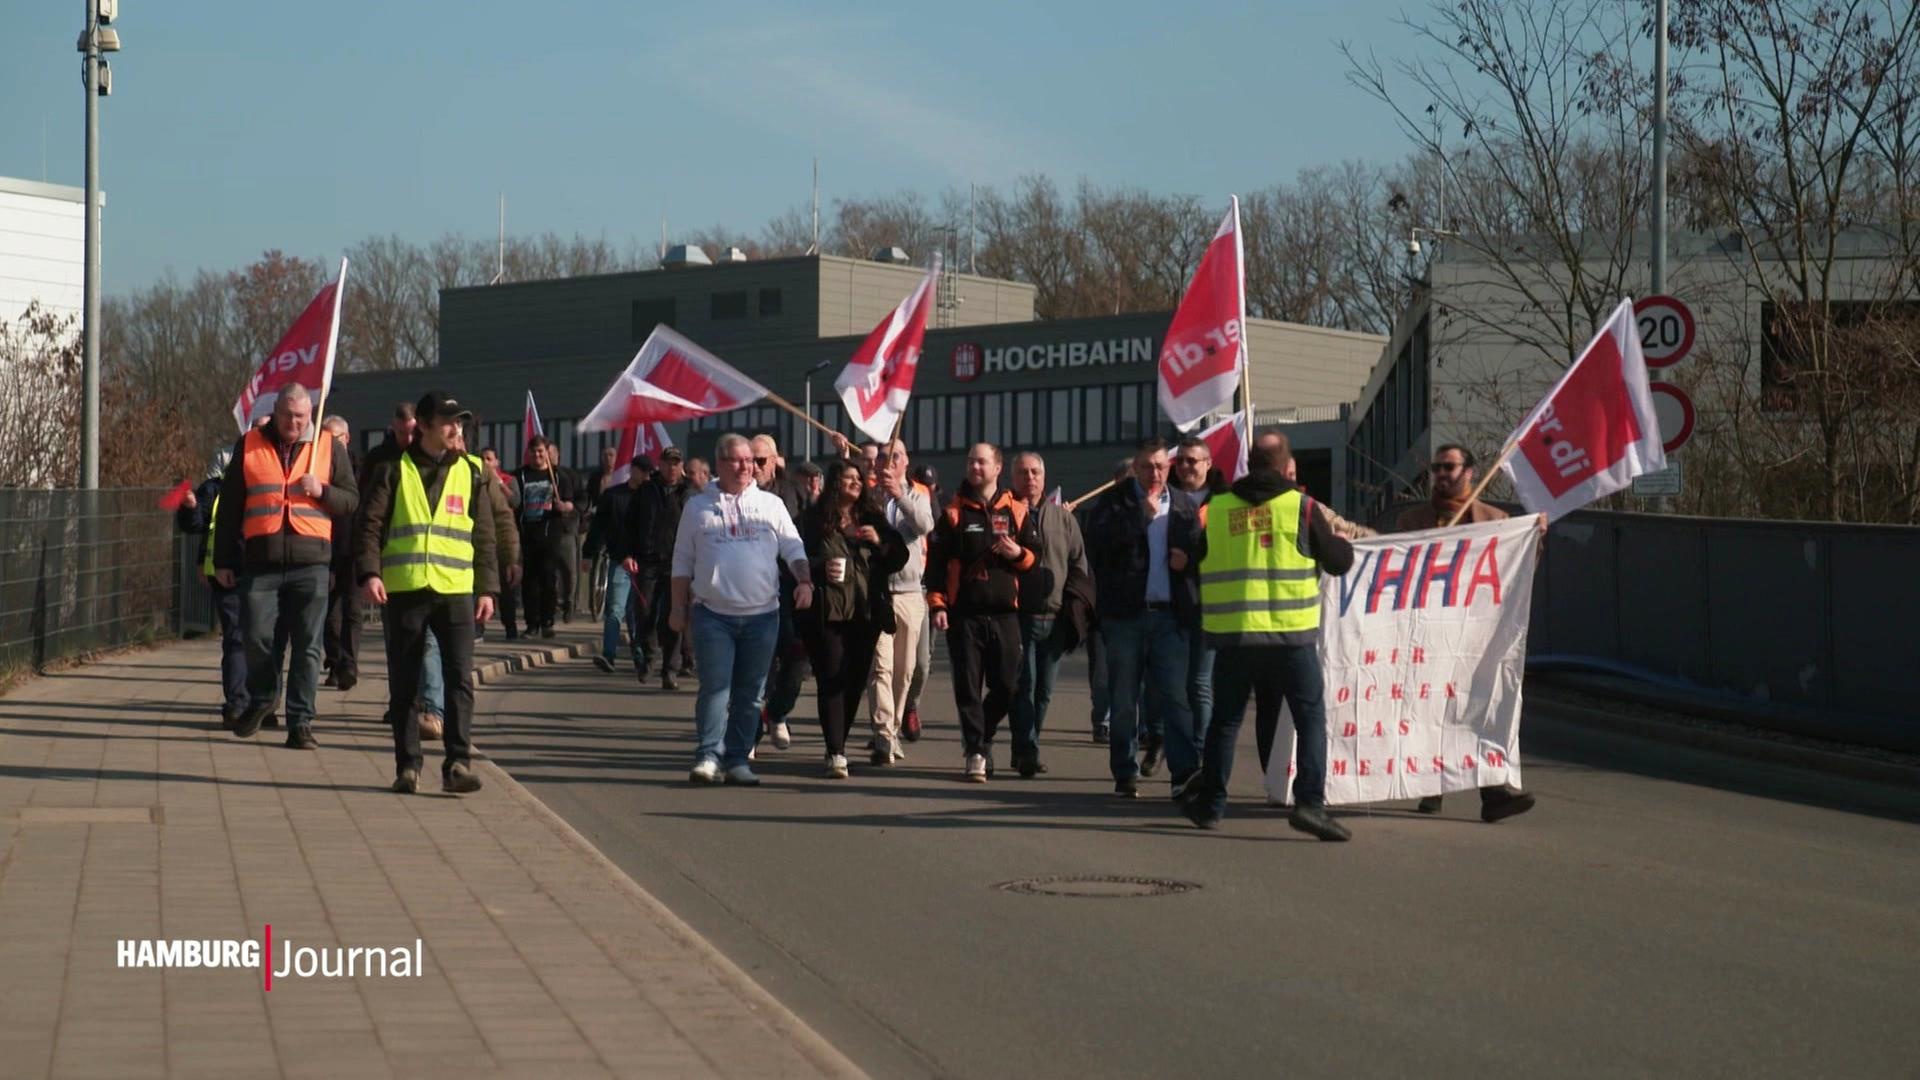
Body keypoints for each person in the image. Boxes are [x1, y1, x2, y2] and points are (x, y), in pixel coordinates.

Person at [1178, 431, 1355, 839]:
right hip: (1290, 640)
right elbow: (1337, 564)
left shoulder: (1217, 507)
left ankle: (1210, 806)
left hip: (1234, 638)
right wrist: (1341, 545)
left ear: (1250, 464)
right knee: (1310, 719)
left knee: (1225, 722)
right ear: (1283, 466)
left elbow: (1194, 564)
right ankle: (1309, 805)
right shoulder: (1302, 507)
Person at [356, 391, 499, 795]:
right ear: (424, 425)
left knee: (459, 680)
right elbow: (369, 524)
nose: (456, 428)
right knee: (405, 683)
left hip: (456, 591)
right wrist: (369, 573)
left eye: (459, 422)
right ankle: (408, 766)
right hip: (404, 590)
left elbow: (485, 536)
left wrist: (488, 589)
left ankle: (457, 763)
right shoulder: (392, 468)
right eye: (447, 421)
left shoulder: (472, 471)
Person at [1389, 443, 1537, 822]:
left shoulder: (1496, 520)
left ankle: (1493, 792)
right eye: (1437, 466)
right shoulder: (1411, 521)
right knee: (1427, 710)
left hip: (1473, 637)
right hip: (1426, 633)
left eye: (1449, 467)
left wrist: (1534, 539)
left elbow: (1514, 574)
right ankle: (1432, 787)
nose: (1441, 473)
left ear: (1470, 472)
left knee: (1477, 708)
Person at [212, 383, 360, 748]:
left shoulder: (328, 447)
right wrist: (223, 559)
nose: (293, 423)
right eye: (287, 416)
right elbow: (230, 508)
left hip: (311, 562)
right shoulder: (250, 445)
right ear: (275, 412)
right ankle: (264, 698)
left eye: (300, 416)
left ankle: (301, 722)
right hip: (260, 561)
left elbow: (351, 501)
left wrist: (322, 491)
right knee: (256, 638)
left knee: (308, 646)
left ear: (311, 414)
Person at [668, 433, 812, 785]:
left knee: (751, 694)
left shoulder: (770, 505)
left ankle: (737, 759)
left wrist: (805, 580)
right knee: (716, 688)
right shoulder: (698, 507)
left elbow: (793, 548)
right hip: (712, 613)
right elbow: (682, 561)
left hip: (762, 615)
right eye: (737, 460)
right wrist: (677, 607)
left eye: (751, 460)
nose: (746, 466)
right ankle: (708, 756)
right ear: (720, 464)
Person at [1083, 437, 1204, 798]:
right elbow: (1098, 545)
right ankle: (1125, 772)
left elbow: (1201, 550)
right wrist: (1141, 516)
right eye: (1147, 466)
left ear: (1170, 467)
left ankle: (1183, 774)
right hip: (1126, 617)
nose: (1155, 473)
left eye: (1161, 466)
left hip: (1170, 616)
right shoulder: (1114, 501)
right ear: (1135, 468)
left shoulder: (1183, 504)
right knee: (1123, 700)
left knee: (1175, 698)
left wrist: (1190, 561)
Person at [928, 443, 1040, 782]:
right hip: (965, 614)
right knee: (968, 688)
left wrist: (1016, 551)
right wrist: (938, 604)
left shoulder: (1017, 510)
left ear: (997, 467)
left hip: (1006, 614)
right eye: (970, 461)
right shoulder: (953, 512)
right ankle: (976, 751)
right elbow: (935, 564)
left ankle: (983, 731)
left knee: (1008, 685)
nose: (975, 466)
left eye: (982, 461)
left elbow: (1035, 558)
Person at [799, 457, 908, 778]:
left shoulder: (872, 516)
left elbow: (898, 557)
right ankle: (835, 752)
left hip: (866, 612)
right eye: (848, 478)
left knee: (854, 682)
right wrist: (820, 568)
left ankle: (838, 742)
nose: (855, 483)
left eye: (858, 479)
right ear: (835, 483)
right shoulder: (814, 519)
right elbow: (794, 555)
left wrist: (880, 542)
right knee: (831, 679)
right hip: (829, 612)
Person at [1009, 452, 1088, 778]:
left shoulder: (1063, 518)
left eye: (1036, 472)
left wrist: (1076, 607)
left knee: (1044, 691)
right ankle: (1027, 751)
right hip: (1019, 616)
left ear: (1044, 476)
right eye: (1024, 472)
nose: (1030, 478)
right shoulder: (1004, 512)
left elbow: (1079, 564)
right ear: (1013, 478)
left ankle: (1027, 744)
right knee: (1023, 687)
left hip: (1055, 617)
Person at [175, 447, 258, 728]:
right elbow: (199, 524)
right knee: (236, 637)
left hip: (264, 571)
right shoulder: (215, 489)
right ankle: (238, 703)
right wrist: (188, 507)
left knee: (262, 638)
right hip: (227, 573)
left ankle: (261, 700)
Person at [864, 438, 934, 765]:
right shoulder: (867, 497)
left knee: (905, 670)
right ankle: (882, 734)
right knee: (881, 665)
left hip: (909, 593)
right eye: (883, 458)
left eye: (896, 456)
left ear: (905, 462)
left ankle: (892, 728)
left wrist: (900, 496)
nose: (889, 462)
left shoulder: (918, 496)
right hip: (877, 593)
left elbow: (923, 525)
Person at [750, 433, 810, 751]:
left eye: (761, 461)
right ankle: (750, 734)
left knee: (797, 660)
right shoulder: (737, 494)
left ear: (775, 462)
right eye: (750, 460)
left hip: (788, 588)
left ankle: (777, 713)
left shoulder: (793, 493)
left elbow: (810, 532)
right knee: (758, 665)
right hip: (752, 592)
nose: (754, 467)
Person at [1171, 436, 1218, 786]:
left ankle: (1200, 753)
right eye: (1182, 461)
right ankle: (1168, 745)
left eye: (1193, 461)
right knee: (1170, 688)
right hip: (1170, 606)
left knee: (1200, 685)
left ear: (1208, 463)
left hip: (1209, 607)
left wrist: (1190, 564)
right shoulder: (1164, 500)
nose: (1186, 466)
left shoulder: (1224, 503)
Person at [585, 455, 651, 677]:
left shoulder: (652, 497)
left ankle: (641, 657)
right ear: (632, 470)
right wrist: (588, 553)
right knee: (615, 609)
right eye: (642, 470)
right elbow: (599, 527)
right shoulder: (613, 496)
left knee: (639, 613)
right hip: (620, 562)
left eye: (649, 472)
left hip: (646, 565)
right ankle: (609, 654)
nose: (645, 476)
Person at [633, 447, 691, 689]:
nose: (672, 468)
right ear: (660, 464)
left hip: (677, 564)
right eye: (668, 463)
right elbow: (630, 523)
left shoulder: (689, 493)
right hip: (647, 560)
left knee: (673, 615)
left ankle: (670, 669)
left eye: (676, 463)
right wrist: (627, 553)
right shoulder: (646, 490)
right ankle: (648, 657)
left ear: (682, 466)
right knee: (644, 612)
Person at [513, 438, 580, 639]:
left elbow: (570, 503)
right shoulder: (521, 475)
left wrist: (564, 507)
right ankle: (532, 623)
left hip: (551, 534)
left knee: (549, 580)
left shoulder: (559, 476)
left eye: (541, 452)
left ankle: (547, 622)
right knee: (529, 582)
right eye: (534, 452)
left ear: (547, 453)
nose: (537, 456)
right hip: (527, 533)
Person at [901, 462, 944, 742]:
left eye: (929, 486)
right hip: (907, 589)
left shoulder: (937, 509)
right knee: (898, 662)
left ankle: (910, 703)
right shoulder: (905, 504)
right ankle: (891, 717)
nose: (924, 489)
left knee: (923, 663)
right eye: (920, 483)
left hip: (930, 591)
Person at [320, 415, 363, 692]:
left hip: (356, 550)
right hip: (327, 549)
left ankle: (348, 665)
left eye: (333, 438)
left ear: (346, 439)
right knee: (330, 613)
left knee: (352, 611)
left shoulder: (362, 470)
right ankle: (334, 661)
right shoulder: (318, 468)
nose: (329, 444)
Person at [478, 445, 522, 640]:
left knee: (506, 588)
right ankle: (478, 627)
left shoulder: (508, 480)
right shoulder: (476, 478)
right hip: (484, 541)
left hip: (503, 540)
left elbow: (514, 504)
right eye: (483, 458)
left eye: (489, 459)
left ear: (496, 462)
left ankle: (510, 626)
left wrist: (498, 483)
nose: (485, 462)